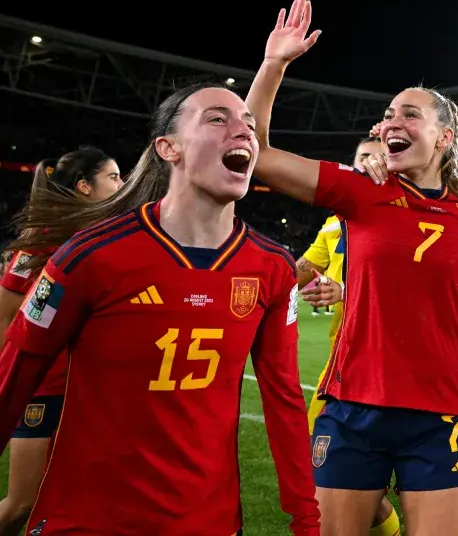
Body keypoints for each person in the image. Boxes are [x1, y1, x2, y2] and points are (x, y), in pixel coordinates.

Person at [0, 84, 320, 535]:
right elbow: (14, 376)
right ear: (168, 148)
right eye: (217, 119)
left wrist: (306, 518)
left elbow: (285, 399)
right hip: (89, 522)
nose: (244, 132)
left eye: (249, 124)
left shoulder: (272, 267)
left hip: (210, 523)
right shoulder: (89, 255)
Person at [246, 0, 458, 536]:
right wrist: (274, 65)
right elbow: (256, 152)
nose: (390, 122)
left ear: (445, 137)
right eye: (387, 114)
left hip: (439, 413)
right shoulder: (362, 191)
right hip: (354, 405)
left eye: (409, 113)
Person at [0, 146, 123, 535]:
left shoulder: (110, 240)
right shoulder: (40, 243)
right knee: (22, 503)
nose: (123, 185)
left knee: (76, 505)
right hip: (43, 390)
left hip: (90, 395)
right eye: (114, 177)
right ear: (85, 186)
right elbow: (5, 316)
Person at [297, 136, 402, 536]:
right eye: (361, 158)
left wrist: (347, 290)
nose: (369, 164)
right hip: (342, 361)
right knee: (326, 469)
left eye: (377, 157)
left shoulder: (408, 215)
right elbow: (304, 269)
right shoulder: (333, 223)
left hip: (393, 365)